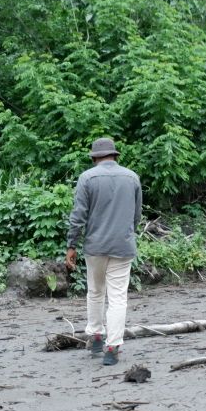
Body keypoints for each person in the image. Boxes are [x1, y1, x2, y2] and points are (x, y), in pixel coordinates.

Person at [66, 137, 142, 366]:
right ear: (115, 155)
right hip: (123, 245)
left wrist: (71, 245)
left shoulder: (87, 178)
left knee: (96, 291)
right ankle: (113, 346)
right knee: (118, 297)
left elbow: (78, 216)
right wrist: (127, 233)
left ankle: (96, 335)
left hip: (95, 246)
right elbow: (136, 216)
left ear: (95, 157)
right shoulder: (132, 177)